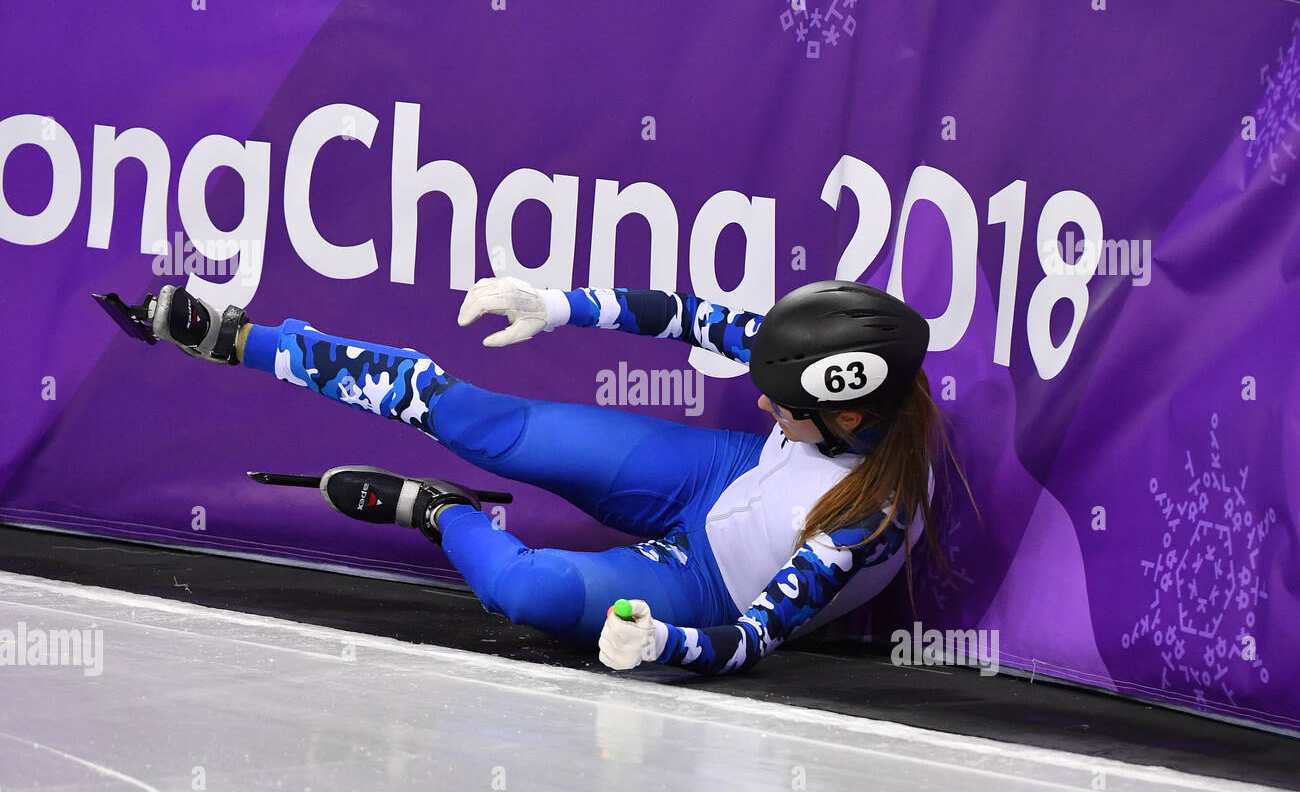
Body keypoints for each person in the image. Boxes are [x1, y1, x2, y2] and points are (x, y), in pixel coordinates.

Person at [125, 276, 965, 675]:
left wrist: (662, 643)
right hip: (717, 476)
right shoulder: (831, 392)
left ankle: (440, 511)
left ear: (846, 416)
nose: (758, 395)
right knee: (473, 416)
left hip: (713, 588)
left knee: (531, 595)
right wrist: (558, 306)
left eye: (779, 402)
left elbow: (751, 640)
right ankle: (242, 339)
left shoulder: (867, 522)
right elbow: (683, 316)